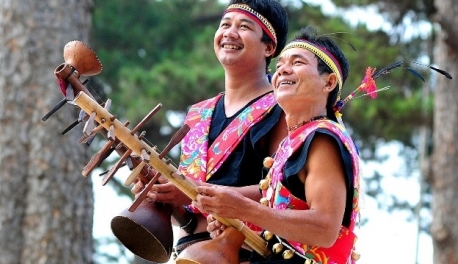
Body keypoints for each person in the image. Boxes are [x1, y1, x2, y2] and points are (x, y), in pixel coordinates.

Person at [131, 0, 289, 262]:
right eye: (224, 24)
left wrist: (197, 191)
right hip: (188, 254)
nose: (229, 32)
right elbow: (189, 215)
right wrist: (162, 194)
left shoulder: (283, 108)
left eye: (244, 26)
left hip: (249, 254)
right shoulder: (198, 113)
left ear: (269, 47)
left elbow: (286, 193)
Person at [192, 26, 361, 264]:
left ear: (329, 82)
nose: (283, 70)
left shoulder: (323, 138)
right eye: (280, 64)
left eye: (297, 62)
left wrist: (242, 209)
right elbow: (274, 199)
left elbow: (324, 228)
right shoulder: (293, 142)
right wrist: (226, 205)